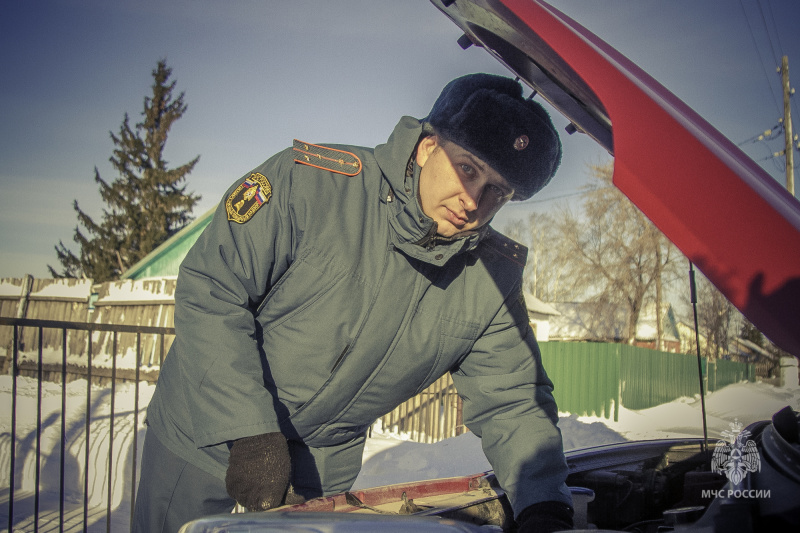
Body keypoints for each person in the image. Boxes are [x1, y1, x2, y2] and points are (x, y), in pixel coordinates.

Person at [133, 73, 574, 533]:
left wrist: (543, 505)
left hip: (318, 471)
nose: (473, 200)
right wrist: (248, 430)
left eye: (497, 191)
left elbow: (513, 400)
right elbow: (212, 288)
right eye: (468, 168)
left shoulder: (490, 277)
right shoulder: (311, 185)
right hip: (204, 428)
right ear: (427, 146)